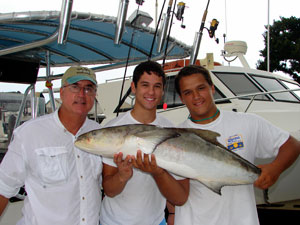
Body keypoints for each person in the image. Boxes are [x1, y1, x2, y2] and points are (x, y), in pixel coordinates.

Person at [173, 65, 300, 225]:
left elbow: (292, 145)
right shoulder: (176, 137)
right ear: (181, 98)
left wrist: (275, 168)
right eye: (188, 92)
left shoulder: (248, 122)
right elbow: (179, 194)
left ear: (212, 88)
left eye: (201, 88)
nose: (196, 96)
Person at [0, 66, 103, 225]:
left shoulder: (99, 132)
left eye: (89, 88)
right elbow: (3, 188)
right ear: (62, 92)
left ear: (95, 94)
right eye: (75, 87)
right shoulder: (30, 134)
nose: (82, 94)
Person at [99, 61, 189, 225]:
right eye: (145, 85)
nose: (151, 92)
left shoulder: (171, 131)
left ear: (162, 91)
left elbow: (180, 196)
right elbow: (109, 190)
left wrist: (172, 212)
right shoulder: (113, 129)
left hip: (156, 221)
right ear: (133, 87)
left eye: (157, 86)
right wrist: (122, 176)